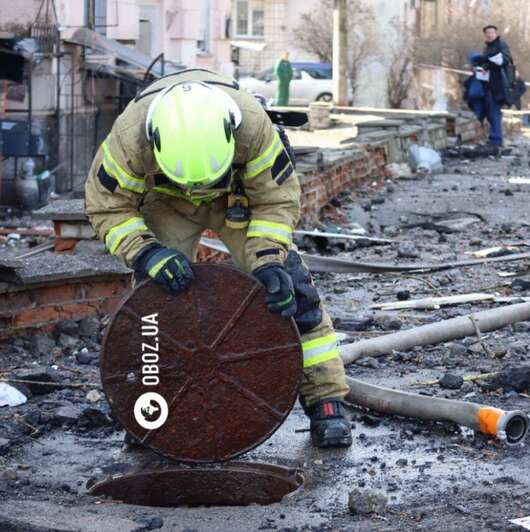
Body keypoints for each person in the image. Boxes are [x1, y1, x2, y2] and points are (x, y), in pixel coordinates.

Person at [83, 69, 352, 449]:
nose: (199, 192)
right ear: (154, 142)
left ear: (230, 135)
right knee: (153, 307)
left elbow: (275, 201)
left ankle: (326, 403)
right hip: (165, 201)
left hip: (237, 199)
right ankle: (150, 414)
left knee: (295, 292)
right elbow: (106, 208)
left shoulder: (254, 130)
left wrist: (269, 261)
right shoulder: (129, 139)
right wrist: (147, 253)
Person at [478, 24, 514, 152]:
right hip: (488, 84)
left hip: (498, 85)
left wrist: (492, 63)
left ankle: (496, 139)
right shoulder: (487, 47)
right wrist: (483, 67)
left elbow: (506, 60)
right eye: (487, 33)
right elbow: (486, 62)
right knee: (490, 112)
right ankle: (493, 138)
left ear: (495, 33)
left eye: (492, 32)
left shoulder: (501, 45)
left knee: (495, 112)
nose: (490, 35)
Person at [464, 51, 502, 147]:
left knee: (492, 117)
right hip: (487, 97)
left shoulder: (482, 68)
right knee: (493, 118)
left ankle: (494, 140)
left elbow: (473, 93)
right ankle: (494, 140)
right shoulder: (487, 66)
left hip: (488, 96)